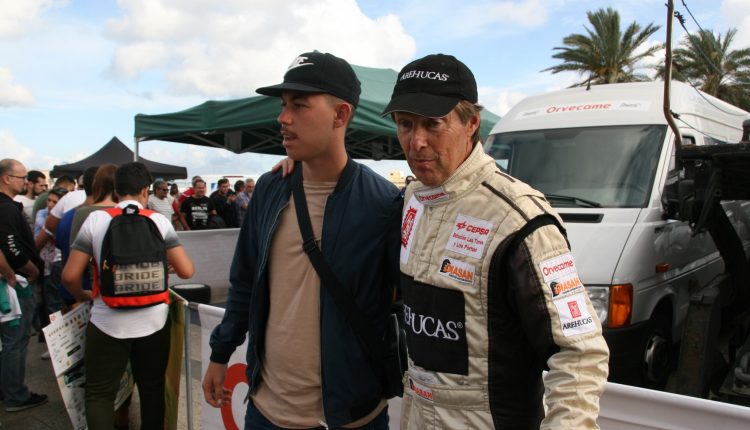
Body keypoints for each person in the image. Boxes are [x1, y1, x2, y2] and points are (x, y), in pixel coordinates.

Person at [382, 54, 609, 428]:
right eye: (405, 124)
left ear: (472, 123)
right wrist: (300, 167)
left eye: (432, 124)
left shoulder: (519, 219)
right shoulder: (412, 199)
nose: (416, 141)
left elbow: (580, 353)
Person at [202, 51, 401, 429]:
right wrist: (220, 353)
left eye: (299, 105)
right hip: (267, 410)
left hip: (354, 414)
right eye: (283, 105)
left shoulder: (384, 203)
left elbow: (405, 302)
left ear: (340, 114)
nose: (283, 117)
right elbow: (244, 282)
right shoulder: (270, 189)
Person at [62, 162, 194, 430]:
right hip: (154, 320)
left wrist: (86, 296)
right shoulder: (159, 221)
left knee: (100, 393)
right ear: (146, 190)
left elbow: (69, 276)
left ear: (116, 189)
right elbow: (187, 271)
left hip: (106, 320)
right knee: (152, 388)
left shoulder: (96, 220)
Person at [0, 159, 48, 412]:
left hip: (12, 281)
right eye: (22, 178)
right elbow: (10, 248)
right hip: (16, 283)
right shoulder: (7, 209)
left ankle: (7, 389)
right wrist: (29, 270)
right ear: (7, 178)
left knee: (10, 341)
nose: (26, 183)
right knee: (16, 341)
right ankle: (15, 395)